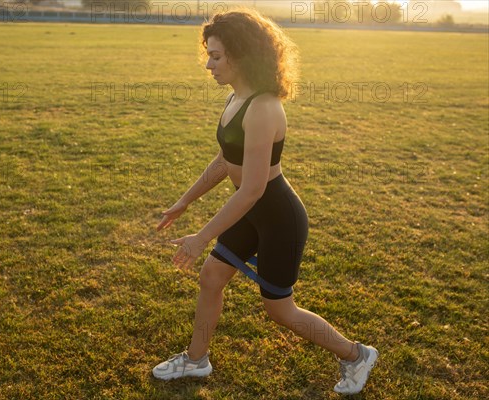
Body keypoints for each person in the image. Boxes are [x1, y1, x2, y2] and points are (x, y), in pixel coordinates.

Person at [152, 8, 378, 395]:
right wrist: (184, 201)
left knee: (279, 309)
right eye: (208, 54)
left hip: (276, 217)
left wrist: (201, 236)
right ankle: (196, 359)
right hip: (251, 210)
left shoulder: (264, 107)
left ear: (243, 55)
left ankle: (356, 355)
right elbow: (227, 159)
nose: (208, 64)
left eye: (217, 56)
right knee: (212, 277)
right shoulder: (237, 99)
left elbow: (253, 189)